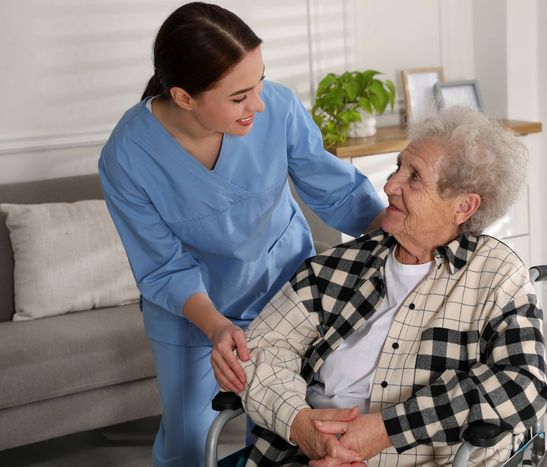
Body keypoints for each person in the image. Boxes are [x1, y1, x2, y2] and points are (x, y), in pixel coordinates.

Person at [98, 3, 385, 466]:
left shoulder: (278, 110)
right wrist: (217, 327)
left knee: (280, 431)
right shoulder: (127, 156)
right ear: (184, 97)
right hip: (192, 310)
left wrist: (404, 229)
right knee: (190, 442)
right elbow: (163, 266)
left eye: (260, 83)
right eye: (238, 97)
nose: (259, 104)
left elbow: (338, 193)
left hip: (285, 290)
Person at [236, 106, 547, 466]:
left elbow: (523, 383)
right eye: (397, 167)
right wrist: (302, 424)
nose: (389, 186)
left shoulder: (497, 275)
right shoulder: (337, 267)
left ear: (463, 206)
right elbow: (259, 348)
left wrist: (387, 428)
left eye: (414, 177)